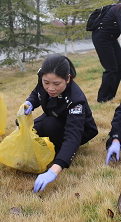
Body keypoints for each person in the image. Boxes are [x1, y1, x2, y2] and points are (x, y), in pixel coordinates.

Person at [21, 55, 98, 192]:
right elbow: (36, 93)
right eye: (46, 83)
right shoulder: (43, 78)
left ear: (67, 79)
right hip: (56, 115)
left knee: (49, 125)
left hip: (79, 129)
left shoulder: (76, 99)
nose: (50, 88)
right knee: (31, 130)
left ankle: (60, 153)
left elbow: (73, 136)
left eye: (56, 84)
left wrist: (54, 169)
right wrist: (29, 103)